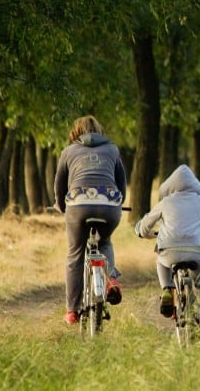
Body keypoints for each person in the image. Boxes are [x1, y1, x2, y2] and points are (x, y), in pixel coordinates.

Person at [54, 115, 127, 325]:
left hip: (78, 204)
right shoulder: (112, 149)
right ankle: (111, 279)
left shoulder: (68, 152)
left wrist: (61, 206)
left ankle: (72, 310)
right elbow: (121, 183)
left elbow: (60, 186)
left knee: (75, 253)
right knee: (104, 242)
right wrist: (117, 203)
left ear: (76, 132)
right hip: (110, 205)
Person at [134, 164, 200, 327]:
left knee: (161, 262)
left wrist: (142, 232)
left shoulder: (166, 202)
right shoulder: (199, 200)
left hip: (170, 252)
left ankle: (167, 289)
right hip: (195, 252)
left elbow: (145, 225)